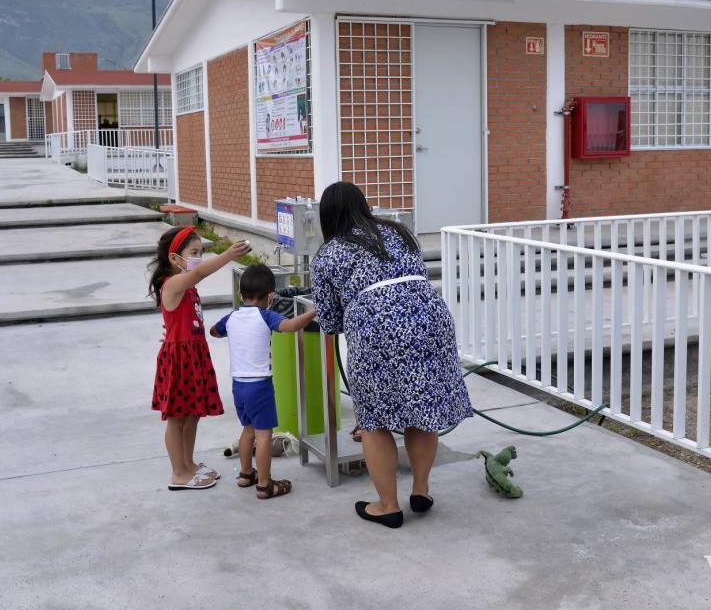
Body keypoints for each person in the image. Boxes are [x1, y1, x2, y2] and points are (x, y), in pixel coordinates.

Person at [311, 182, 472, 528]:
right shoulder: (398, 232)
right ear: (362, 206)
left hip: (377, 328)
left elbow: (329, 321)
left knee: (374, 419)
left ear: (327, 216)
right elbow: (418, 275)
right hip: (430, 318)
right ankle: (421, 489)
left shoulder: (329, 253)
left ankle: (387, 505)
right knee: (421, 408)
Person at [147, 226, 250, 491]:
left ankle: (189, 464)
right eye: (193, 252)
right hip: (179, 359)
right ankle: (178, 473)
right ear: (174, 258)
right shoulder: (173, 283)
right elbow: (199, 273)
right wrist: (227, 254)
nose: (198, 258)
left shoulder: (186, 284)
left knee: (192, 414)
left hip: (194, 355)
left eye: (200, 252)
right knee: (176, 418)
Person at [210, 265, 317, 500]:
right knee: (264, 436)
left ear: (240, 295)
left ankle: (246, 474)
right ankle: (265, 484)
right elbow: (289, 327)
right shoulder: (265, 315)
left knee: (248, 431)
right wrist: (313, 311)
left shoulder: (232, 317)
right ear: (270, 296)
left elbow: (213, 332)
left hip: (238, 385)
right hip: (259, 386)